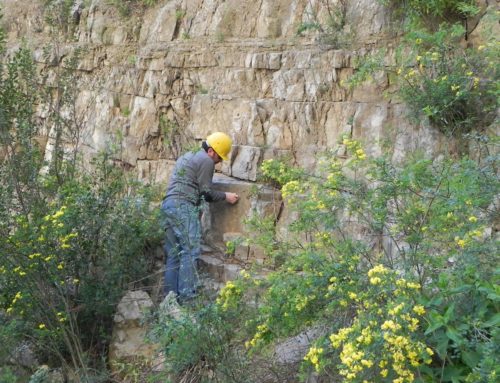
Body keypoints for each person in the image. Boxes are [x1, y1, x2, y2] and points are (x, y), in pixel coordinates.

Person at [161, 132, 239, 301]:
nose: (218, 162)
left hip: (168, 205)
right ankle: (187, 299)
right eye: (219, 158)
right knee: (191, 250)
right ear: (211, 151)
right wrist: (226, 196)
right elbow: (206, 193)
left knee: (174, 254)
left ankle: (169, 300)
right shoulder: (206, 161)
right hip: (183, 207)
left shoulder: (187, 156)